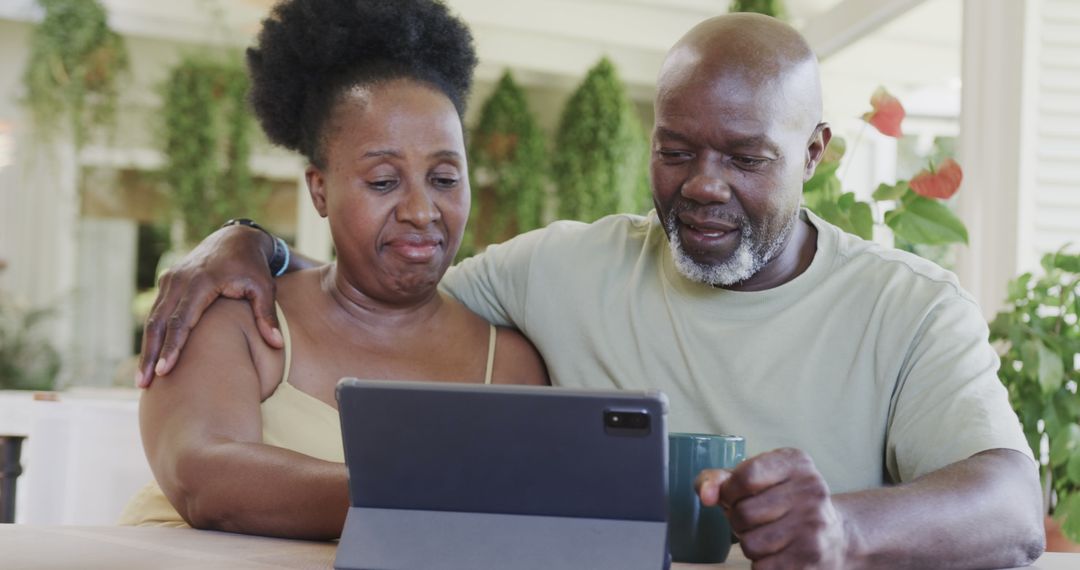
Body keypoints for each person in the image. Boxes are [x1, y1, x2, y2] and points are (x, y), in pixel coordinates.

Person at [137, 12, 1045, 569]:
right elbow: (384, 283)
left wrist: (844, 533)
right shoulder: (562, 270)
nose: (705, 185)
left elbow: (1011, 509)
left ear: (813, 153)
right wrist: (246, 242)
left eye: (746, 157)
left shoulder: (909, 308)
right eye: (677, 150)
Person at [119, 0, 547, 540]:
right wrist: (429, 496)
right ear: (320, 190)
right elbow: (202, 479)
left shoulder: (508, 365)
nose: (421, 211)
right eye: (384, 181)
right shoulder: (235, 312)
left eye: (444, 179)